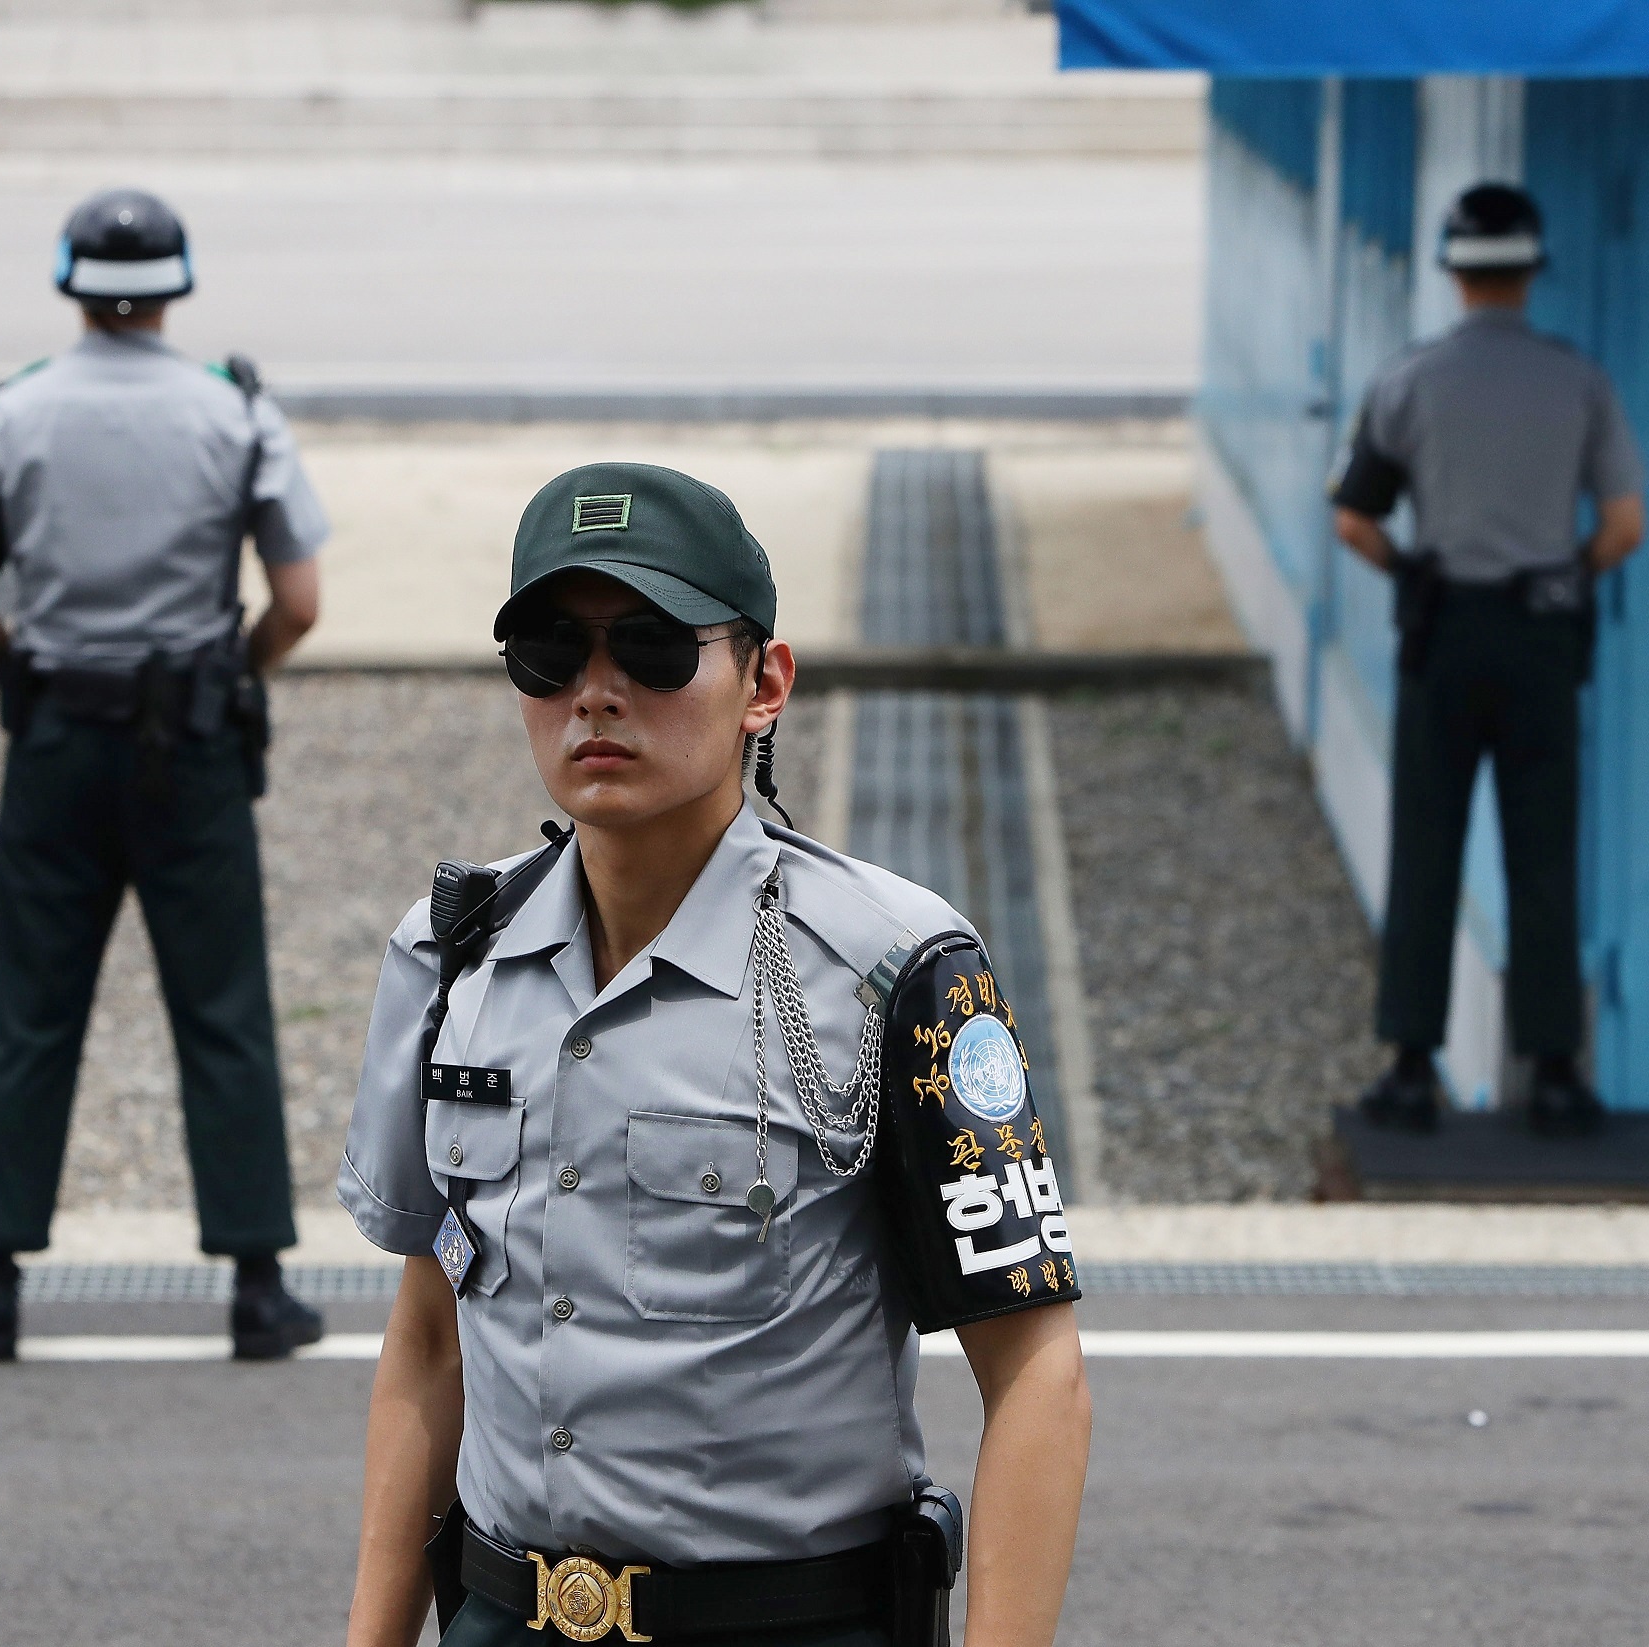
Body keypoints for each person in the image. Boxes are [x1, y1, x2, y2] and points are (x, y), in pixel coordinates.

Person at [338, 463, 1092, 1647]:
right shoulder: (451, 957)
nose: (595, 692)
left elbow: (1036, 1369)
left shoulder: (898, 969)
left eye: (651, 647)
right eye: (549, 653)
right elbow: (428, 1339)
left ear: (763, 682)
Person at [0, 187, 331, 1362]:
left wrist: (24, 668)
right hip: (191, 739)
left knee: (29, 1004)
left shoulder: (9, 415)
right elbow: (299, 602)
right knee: (222, 1009)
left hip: (56, 735)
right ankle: (256, 1281)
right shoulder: (236, 416)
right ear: (175, 287)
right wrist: (234, 671)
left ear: (69, 282)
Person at [1332, 183, 1646, 1138]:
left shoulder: (1409, 379)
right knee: (1542, 849)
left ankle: (1411, 1065)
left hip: (1445, 632)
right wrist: (1566, 575)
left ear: (1454, 272)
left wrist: (1412, 573)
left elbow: (1354, 517)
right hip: (1543, 636)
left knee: (1427, 841)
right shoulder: (1578, 381)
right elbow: (1625, 525)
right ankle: (1554, 1069)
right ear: (1530, 270)